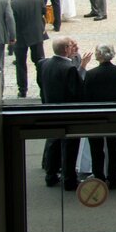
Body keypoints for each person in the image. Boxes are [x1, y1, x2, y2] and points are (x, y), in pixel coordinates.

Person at [36, 36, 89, 190]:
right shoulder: (69, 68)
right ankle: (69, 179)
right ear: (66, 49)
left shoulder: (43, 63)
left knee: (53, 142)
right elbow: (77, 93)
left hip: (49, 110)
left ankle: (50, 175)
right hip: (68, 113)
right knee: (70, 146)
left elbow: (41, 84)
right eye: (71, 46)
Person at [83, 44, 116, 189]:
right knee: (113, 147)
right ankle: (113, 178)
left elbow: (87, 96)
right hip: (114, 113)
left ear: (99, 56)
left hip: (95, 115)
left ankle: (99, 177)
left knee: (96, 149)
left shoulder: (91, 74)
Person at [10, 0, 46, 98]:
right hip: (36, 34)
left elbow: (13, 22)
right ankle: (43, 87)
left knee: (21, 64)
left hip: (20, 37)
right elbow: (43, 11)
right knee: (39, 62)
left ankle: (23, 90)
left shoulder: (13, 3)